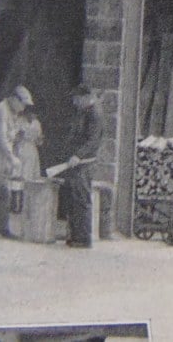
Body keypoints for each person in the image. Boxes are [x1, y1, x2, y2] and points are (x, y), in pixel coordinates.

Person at [0, 85, 34, 237]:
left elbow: (12, 137)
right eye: (22, 104)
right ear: (14, 99)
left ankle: (2, 226)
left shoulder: (13, 113)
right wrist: (12, 157)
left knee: (5, 193)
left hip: (6, 157)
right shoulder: (1, 111)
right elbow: (1, 138)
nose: (23, 108)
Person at [61, 85, 102, 248]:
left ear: (85, 97)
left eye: (77, 99)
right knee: (73, 198)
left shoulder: (94, 114)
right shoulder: (84, 111)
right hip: (76, 162)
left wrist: (79, 155)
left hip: (84, 163)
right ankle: (75, 235)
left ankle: (83, 238)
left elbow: (92, 141)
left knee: (81, 199)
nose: (74, 102)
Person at [13, 109, 43, 181]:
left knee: (29, 173)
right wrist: (19, 135)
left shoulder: (37, 123)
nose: (33, 117)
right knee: (19, 173)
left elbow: (39, 141)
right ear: (27, 112)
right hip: (20, 148)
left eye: (35, 115)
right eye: (32, 114)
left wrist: (39, 139)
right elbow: (13, 137)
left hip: (32, 150)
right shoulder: (19, 121)